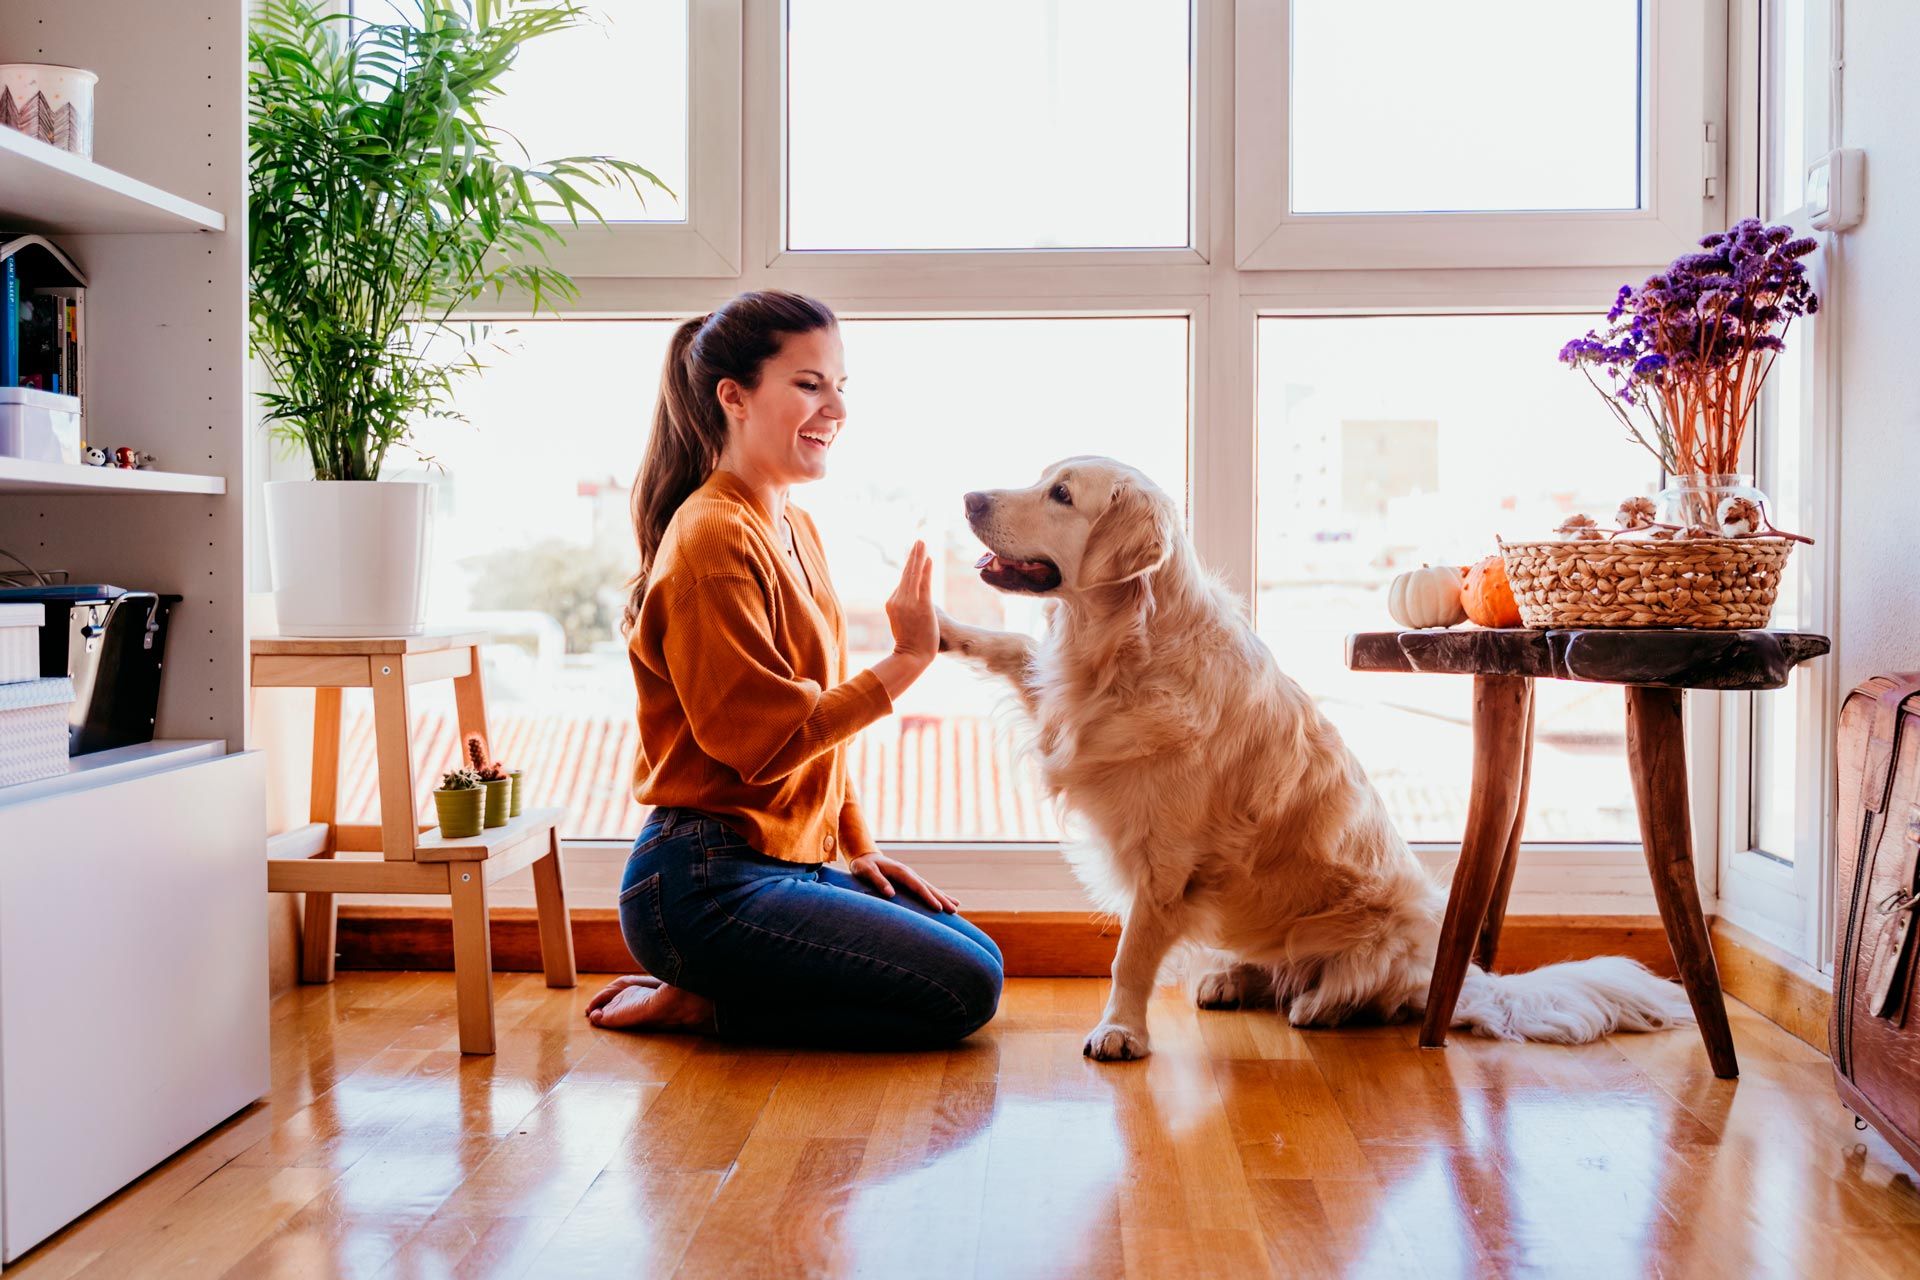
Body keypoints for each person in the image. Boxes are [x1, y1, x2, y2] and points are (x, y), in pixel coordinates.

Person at [586, 289, 1004, 1048]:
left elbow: (816, 730)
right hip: (700, 882)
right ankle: (700, 1002)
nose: (835, 408)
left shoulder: (792, 524)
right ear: (734, 397)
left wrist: (857, 844)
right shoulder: (712, 539)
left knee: (981, 957)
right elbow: (765, 744)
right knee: (963, 991)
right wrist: (909, 659)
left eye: (841, 386)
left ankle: (711, 991)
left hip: (783, 861)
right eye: (809, 384)